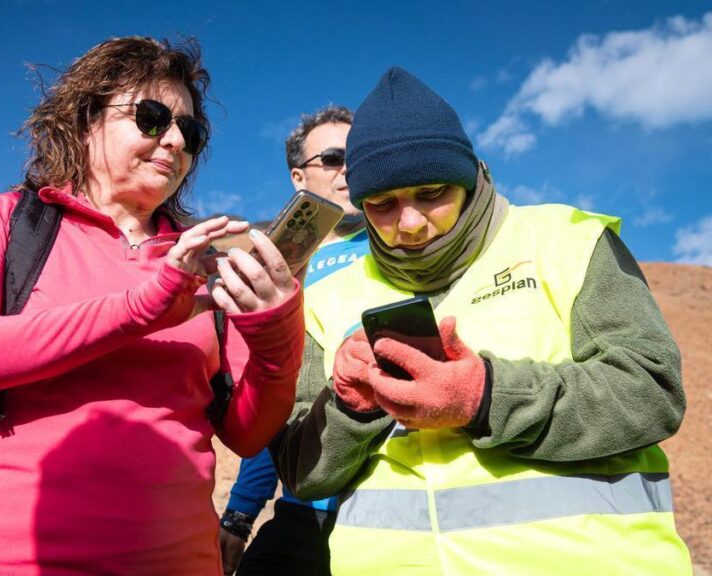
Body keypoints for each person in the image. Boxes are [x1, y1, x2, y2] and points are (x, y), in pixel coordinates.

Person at [0, 36, 305, 575]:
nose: (174, 142)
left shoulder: (202, 262)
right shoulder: (6, 222)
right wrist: (141, 308)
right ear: (84, 119)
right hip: (4, 559)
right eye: (151, 117)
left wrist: (275, 327)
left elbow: (246, 431)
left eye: (190, 132)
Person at [274, 67, 692, 575]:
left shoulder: (567, 242)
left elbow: (653, 392)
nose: (409, 223)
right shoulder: (328, 295)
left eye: (431, 194)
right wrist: (351, 410)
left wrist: (484, 397)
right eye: (382, 205)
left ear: (469, 180)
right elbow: (305, 474)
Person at [219, 105, 367, 576]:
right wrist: (240, 515)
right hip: (306, 504)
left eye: (359, 154)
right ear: (299, 179)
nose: (349, 169)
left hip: (387, 498)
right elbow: (279, 402)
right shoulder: (279, 274)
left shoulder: (410, 246)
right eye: (332, 158)